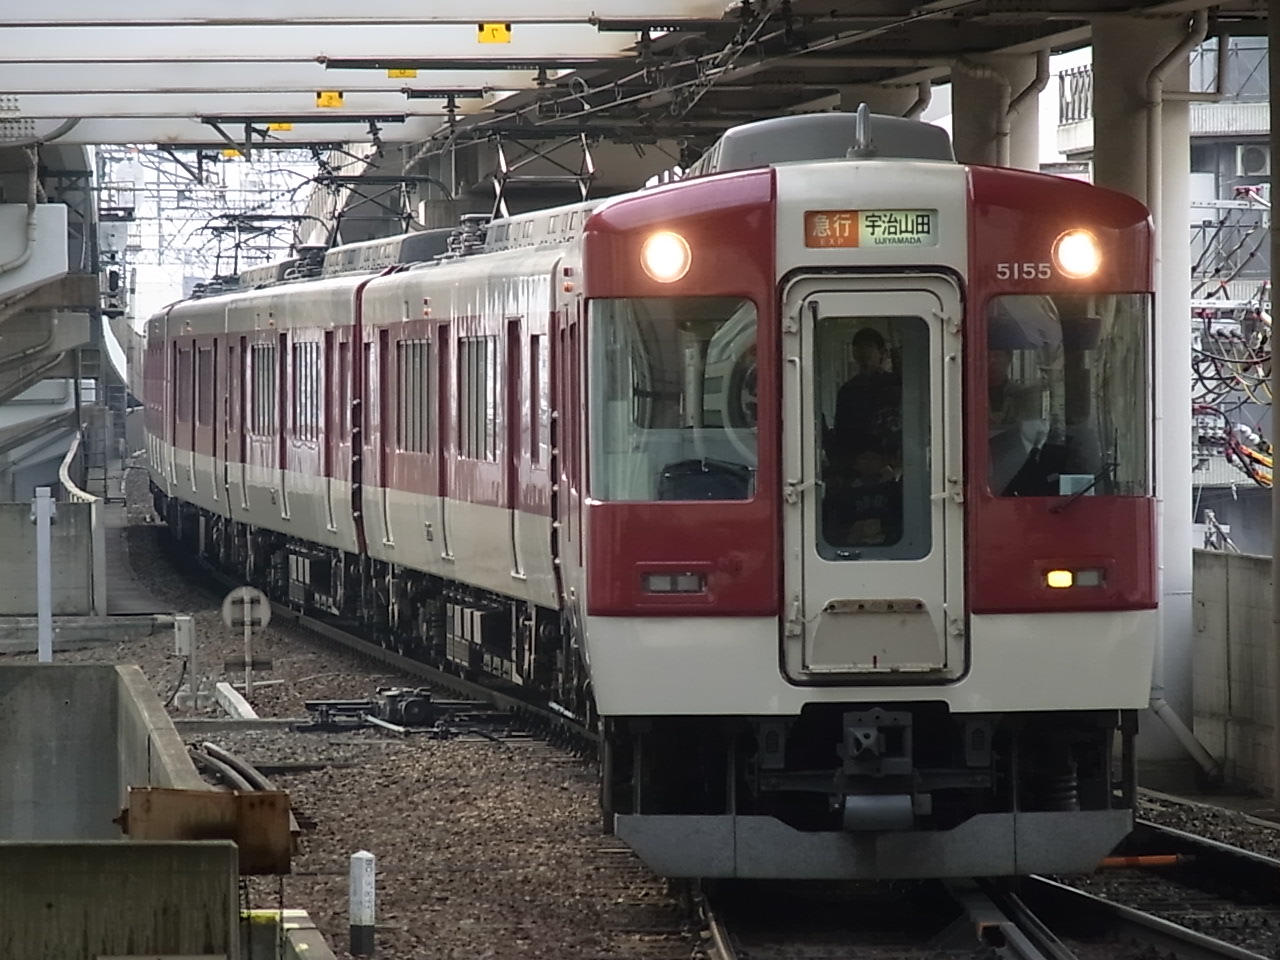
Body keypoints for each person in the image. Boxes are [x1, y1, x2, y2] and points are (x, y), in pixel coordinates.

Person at [827, 327, 901, 475]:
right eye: (859, 347)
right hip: (858, 464)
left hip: (892, 462)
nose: (864, 352)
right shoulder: (848, 391)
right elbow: (842, 432)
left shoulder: (896, 384)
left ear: (881, 352)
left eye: (869, 346)